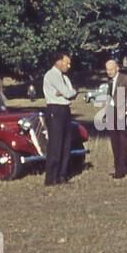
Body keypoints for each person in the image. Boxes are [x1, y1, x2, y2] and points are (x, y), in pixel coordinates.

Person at [42, 52, 78, 186]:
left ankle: (62, 176)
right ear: (58, 61)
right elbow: (69, 92)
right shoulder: (51, 75)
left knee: (66, 144)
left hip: (65, 110)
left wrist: (69, 92)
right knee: (56, 145)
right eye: (66, 62)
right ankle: (51, 178)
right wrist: (68, 93)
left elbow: (71, 93)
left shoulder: (65, 77)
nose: (69, 66)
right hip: (55, 110)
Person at [102, 58, 127, 179]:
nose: (109, 72)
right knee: (114, 142)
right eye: (107, 70)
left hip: (123, 114)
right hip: (112, 113)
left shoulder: (126, 79)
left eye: (111, 69)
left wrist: (126, 111)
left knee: (123, 142)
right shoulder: (109, 81)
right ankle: (118, 167)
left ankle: (122, 170)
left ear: (117, 67)